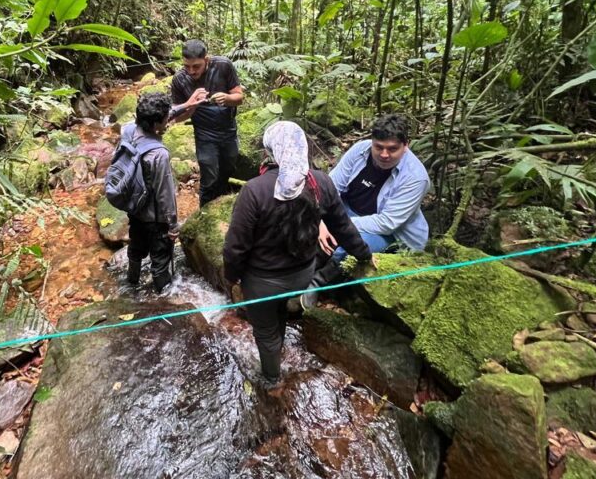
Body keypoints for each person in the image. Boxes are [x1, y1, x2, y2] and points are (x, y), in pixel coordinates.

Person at [222, 121, 369, 388]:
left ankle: (271, 379)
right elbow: (344, 227)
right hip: (302, 275)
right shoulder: (321, 182)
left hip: (262, 282)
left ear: (272, 151)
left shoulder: (255, 190)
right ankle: (279, 344)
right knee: (278, 310)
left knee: (265, 331)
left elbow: (235, 247)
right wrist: (364, 256)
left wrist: (230, 278)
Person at [318, 113, 431, 266]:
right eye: (378, 147)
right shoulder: (359, 150)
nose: (384, 155)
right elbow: (330, 188)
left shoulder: (415, 177)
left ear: (405, 146)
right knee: (307, 222)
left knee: (349, 246)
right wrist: (321, 220)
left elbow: (387, 223)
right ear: (372, 142)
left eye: (392, 149)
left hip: (388, 232)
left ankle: (318, 284)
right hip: (348, 211)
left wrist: (337, 224)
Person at [169, 39, 244, 206]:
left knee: (228, 169)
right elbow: (175, 118)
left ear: (207, 60)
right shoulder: (179, 80)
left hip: (228, 129)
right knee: (209, 175)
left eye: (196, 66)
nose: (191, 71)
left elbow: (239, 97)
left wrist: (227, 98)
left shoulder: (223, 66)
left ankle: (222, 204)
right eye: (187, 66)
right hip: (204, 134)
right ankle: (204, 212)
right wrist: (191, 105)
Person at [124, 92, 179, 293]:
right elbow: (165, 194)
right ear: (156, 124)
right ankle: (162, 298)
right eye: (166, 119)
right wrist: (172, 226)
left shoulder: (129, 131)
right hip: (156, 219)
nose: (168, 122)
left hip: (135, 210)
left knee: (136, 249)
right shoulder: (159, 154)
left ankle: (131, 284)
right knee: (160, 259)